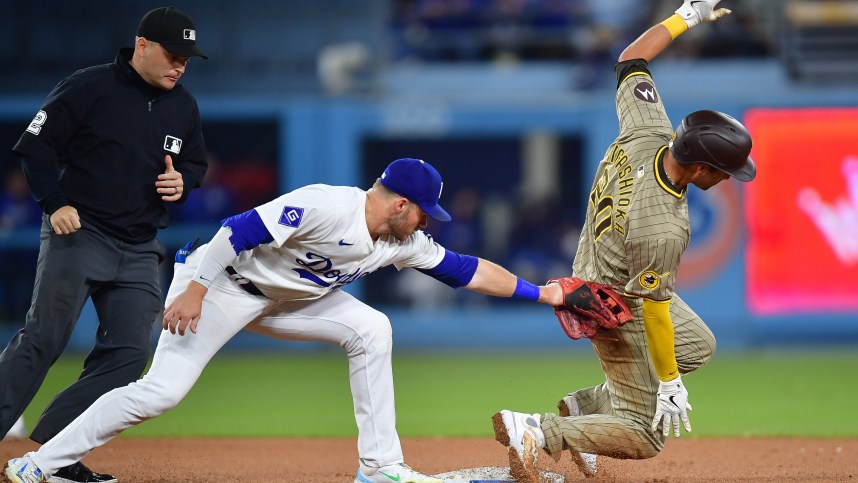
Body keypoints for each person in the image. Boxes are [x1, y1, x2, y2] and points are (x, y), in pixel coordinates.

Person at [3, 158, 566, 483]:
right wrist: (196, 289)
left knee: (373, 329)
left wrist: (545, 295)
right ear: (400, 204)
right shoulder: (327, 205)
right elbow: (235, 231)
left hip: (289, 301)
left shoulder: (401, 241)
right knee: (160, 393)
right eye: (424, 211)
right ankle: (40, 466)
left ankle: (380, 469)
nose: (427, 223)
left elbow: (466, 270)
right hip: (222, 285)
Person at [491, 1, 756, 481]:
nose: (728, 180)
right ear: (699, 167)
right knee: (644, 431)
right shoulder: (664, 227)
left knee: (697, 345)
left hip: (603, 268)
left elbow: (631, 60)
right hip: (612, 298)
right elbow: (652, 310)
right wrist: (670, 384)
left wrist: (685, 18)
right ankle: (538, 431)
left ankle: (581, 408)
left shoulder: (649, 130)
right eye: (724, 171)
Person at [0, 7, 208, 483]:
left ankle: (54, 456)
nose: (180, 65)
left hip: (139, 246)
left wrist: (186, 183)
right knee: (43, 339)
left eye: (187, 59)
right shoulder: (90, 87)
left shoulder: (184, 106)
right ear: (142, 46)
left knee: (129, 355)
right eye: (173, 55)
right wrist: (53, 202)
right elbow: (34, 147)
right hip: (80, 232)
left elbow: (194, 164)